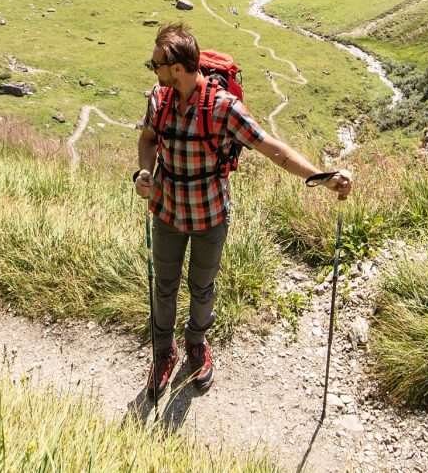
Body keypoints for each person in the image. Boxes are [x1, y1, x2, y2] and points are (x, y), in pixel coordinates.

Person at [135, 22, 351, 397]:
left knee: (202, 287)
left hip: (210, 215)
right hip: (166, 209)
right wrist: (142, 171)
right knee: (164, 286)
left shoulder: (223, 108)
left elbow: (273, 149)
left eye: (156, 64)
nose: (152, 70)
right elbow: (148, 139)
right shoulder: (159, 99)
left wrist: (323, 177)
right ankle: (163, 352)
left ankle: (195, 344)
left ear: (177, 69)